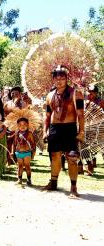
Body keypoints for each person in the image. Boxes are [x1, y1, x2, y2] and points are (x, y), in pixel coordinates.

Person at [43, 65, 84, 198]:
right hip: (55, 129)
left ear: (67, 79)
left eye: (62, 78)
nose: (59, 81)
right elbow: (47, 115)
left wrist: (81, 130)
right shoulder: (50, 95)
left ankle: (73, 187)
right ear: (53, 80)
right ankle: (53, 182)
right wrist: (45, 131)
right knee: (54, 156)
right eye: (57, 78)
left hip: (69, 128)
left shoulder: (75, 93)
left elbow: (81, 114)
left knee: (72, 157)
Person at [12, 118, 36, 185]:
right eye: (20, 125)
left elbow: (33, 143)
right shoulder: (17, 133)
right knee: (20, 166)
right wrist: (12, 152)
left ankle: (29, 179)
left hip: (27, 153)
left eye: (24, 124)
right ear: (17, 126)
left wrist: (33, 152)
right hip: (19, 153)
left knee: (27, 166)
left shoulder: (29, 134)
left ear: (28, 125)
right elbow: (14, 143)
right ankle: (19, 179)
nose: (22, 126)